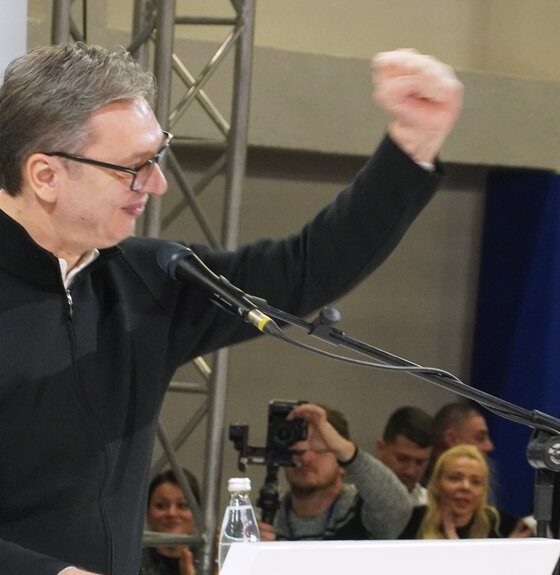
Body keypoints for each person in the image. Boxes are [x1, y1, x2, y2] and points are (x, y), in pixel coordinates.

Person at [0, 42, 462, 575]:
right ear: (45, 175)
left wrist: (411, 149)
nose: (157, 183)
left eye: (157, 157)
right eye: (133, 167)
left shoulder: (147, 279)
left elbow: (303, 270)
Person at [258, 403, 411, 541]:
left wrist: (348, 452)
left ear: (342, 462)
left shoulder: (363, 511)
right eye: (297, 446)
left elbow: (398, 508)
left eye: (320, 448)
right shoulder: (262, 521)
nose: (306, 457)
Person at [399, 444, 532, 539]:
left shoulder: (502, 526)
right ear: (436, 483)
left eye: (476, 482)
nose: (465, 487)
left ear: (483, 490)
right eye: (455, 478)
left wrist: (509, 554)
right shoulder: (410, 522)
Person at [140, 469, 201, 575]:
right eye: (161, 505)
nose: (171, 513)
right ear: (147, 512)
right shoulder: (131, 561)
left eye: (182, 505)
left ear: (198, 513)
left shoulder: (210, 561)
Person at [376, 406, 433, 506]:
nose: (410, 471)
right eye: (402, 459)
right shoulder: (350, 502)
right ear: (381, 448)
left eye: (420, 462)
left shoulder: (433, 508)